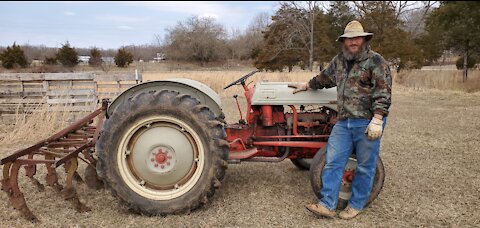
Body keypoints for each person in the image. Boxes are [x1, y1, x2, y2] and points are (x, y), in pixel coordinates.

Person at [288, 20, 392, 220]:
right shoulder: (339, 61)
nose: (353, 42)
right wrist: (307, 85)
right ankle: (327, 204)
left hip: (366, 121)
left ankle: (356, 204)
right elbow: (325, 78)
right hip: (343, 122)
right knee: (333, 162)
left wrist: (378, 119)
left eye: (357, 38)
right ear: (344, 41)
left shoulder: (376, 62)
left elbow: (383, 93)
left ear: (364, 39)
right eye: (349, 39)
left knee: (365, 165)